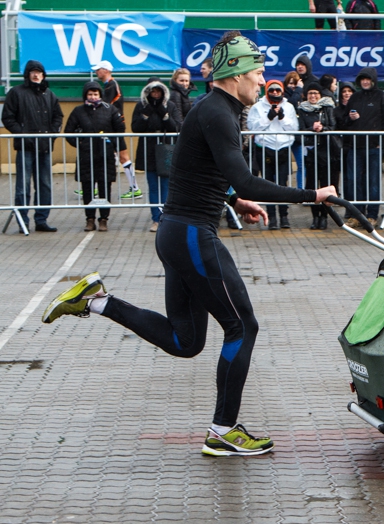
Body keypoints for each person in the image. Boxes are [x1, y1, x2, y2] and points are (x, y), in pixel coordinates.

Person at [42, 31, 337, 458]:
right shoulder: (218, 112)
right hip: (192, 235)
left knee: (186, 341)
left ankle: (96, 301)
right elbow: (242, 176)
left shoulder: (213, 109)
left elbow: (199, 170)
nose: (262, 80)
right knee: (243, 326)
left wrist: (236, 200)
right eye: (257, 72)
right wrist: (312, 196)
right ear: (235, 74)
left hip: (177, 234)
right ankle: (222, 430)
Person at [2, 59, 63, 233]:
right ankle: (23, 221)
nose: (36, 75)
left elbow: (58, 117)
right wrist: (22, 134)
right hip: (25, 147)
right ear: (27, 74)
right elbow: (8, 117)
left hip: (44, 147)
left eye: (39, 72)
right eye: (33, 72)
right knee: (23, 186)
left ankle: (41, 220)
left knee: (44, 184)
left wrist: (52, 134)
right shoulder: (16, 93)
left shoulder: (49, 95)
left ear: (43, 75)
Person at [64, 81, 126, 232]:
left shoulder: (110, 109)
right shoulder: (78, 111)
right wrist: (81, 143)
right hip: (87, 156)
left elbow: (120, 129)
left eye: (95, 94)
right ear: (85, 95)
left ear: (100, 95)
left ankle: (104, 219)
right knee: (87, 188)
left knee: (105, 186)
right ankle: (90, 219)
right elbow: (69, 132)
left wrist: (112, 145)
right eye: (90, 94)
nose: (93, 97)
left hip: (105, 155)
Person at [340, 67, 384, 226]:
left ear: (373, 80)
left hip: (373, 148)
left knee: (373, 182)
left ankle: (372, 215)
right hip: (355, 147)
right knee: (354, 181)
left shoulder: (382, 97)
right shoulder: (355, 97)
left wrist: (382, 147)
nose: (365, 82)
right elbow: (343, 122)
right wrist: (350, 119)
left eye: (368, 79)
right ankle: (357, 215)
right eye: (362, 79)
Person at [131, 77, 181, 232]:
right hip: (149, 149)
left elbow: (177, 126)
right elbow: (135, 128)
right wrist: (145, 115)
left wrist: (165, 115)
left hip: (166, 148)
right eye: (152, 91)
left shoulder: (170, 105)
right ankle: (155, 219)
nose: (156, 94)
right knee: (153, 186)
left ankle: (166, 218)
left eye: (158, 90)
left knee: (165, 185)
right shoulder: (141, 106)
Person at [247, 80, 299, 230]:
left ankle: (284, 216)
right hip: (264, 148)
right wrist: (268, 117)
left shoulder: (288, 107)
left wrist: (282, 117)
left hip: (282, 148)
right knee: (267, 184)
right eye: (272, 90)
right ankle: (271, 216)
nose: (275, 93)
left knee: (282, 184)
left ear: (282, 91)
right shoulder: (257, 107)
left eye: (278, 90)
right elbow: (252, 127)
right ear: (266, 91)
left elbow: (294, 128)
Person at [92, 60, 139, 200]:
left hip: (113, 126)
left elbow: (105, 105)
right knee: (106, 155)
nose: (96, 72)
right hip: (110, 125)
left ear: (105, 70)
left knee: (122, 156)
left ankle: (135, 187)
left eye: (98, 69)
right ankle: (93, 186)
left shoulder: (112, 85)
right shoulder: (108, 85)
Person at [297, 82, 339, 230]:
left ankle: (324, 217)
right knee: (313, 188)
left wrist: (323, 128)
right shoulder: (302, 109)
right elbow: (300, 129)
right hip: (312, 154)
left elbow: (333, 126)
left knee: (327, 187)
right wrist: (311, 129)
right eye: (310, 93)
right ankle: (315, 217)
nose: (313, 96)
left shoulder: (328, 107)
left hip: (328, 153)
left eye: (316, 93)